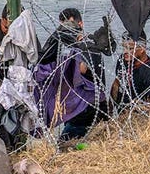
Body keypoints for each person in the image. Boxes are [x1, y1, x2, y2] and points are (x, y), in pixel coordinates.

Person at [33, 8, 109, 141]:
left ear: (80, 25)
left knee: (64, 147)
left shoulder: (89, 46)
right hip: (75, 113)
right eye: (63, 28)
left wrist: (77, 45)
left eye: (70, 26)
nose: (66, 31)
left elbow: (81, 69)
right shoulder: (68, 49)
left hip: (90, 114)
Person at [110, 31, 150, 109]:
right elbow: (116, 84)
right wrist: (109, 112)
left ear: (142, 49)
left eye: (130, 48)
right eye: (123, 47)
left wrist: (137, 106)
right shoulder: (123, 61)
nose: (125, 52)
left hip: (138, 116)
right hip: (122, 112)